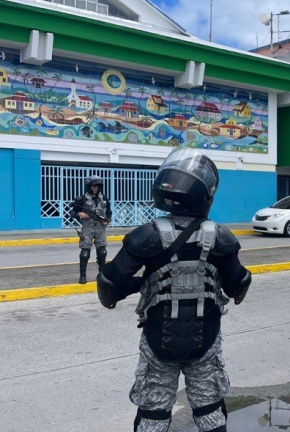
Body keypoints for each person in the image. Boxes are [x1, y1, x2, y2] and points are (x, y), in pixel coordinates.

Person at [97, 149, 252, 432]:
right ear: (204, 193)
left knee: (153, 415)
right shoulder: (220, 237)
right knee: (210, 412)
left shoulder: (147, 235)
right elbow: (239, 284)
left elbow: (109, 284)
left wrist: (141, 283)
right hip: (205, 341)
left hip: (158, 340)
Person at [72, 175, 112, 284]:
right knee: (85, 252)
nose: (95, 188)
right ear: (89, 187)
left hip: (100, 227)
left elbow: (109, 212)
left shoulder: (104, 198)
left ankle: (102, 274)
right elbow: (72, 213)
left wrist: (107, 220)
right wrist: (79, 213)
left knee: (102, 251)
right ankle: (83, 276)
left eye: (97, 186)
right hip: (87, 227)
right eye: (93, 186)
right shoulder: (81, 199)